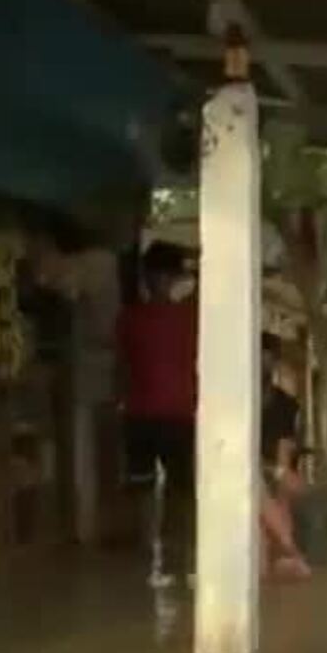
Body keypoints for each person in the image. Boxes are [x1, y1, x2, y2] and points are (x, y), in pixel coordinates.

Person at [117, 242, 197, 588]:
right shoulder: (189, 317)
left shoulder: (130, 318)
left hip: (145, 415)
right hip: (174, 414)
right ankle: (172, 558)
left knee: (147, 490)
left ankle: (152, 559)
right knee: (177, 492)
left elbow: (121, 369)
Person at [261, 334, 313, 582]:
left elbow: (284, 458)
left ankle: (289, 550)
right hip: (252, 478)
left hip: (277, 475)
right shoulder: (236, 403)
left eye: (268, 359)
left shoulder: (286, 405)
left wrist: (277, 473)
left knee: (278, 489)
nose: (263, 365)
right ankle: (290, 550)